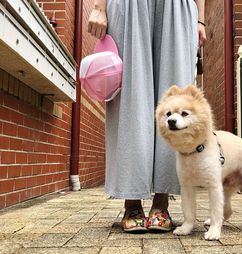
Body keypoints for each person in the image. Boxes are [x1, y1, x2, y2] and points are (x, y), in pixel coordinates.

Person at [88, 0, 207, 232]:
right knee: (130, 97)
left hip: (178, 7)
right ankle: (131, 202)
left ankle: (161, 203)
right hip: (129, 6)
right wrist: (99, 6)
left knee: (174, 99)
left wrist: (200, 19)